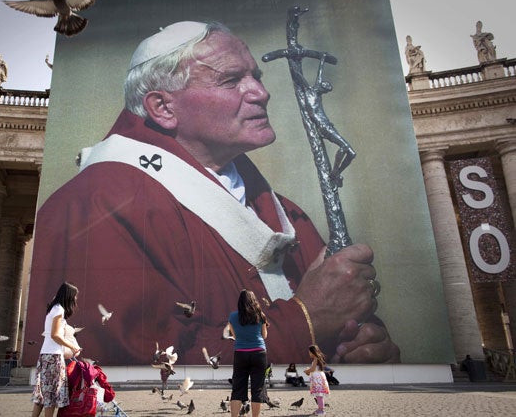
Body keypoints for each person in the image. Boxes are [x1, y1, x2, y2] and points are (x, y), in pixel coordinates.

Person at [26, 20, 400, 367]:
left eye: (256, 76)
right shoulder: (97, 203)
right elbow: (128, 370)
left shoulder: (285, 213)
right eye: (231, 80)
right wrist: (305, 322)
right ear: (163, 107)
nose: (261, 92)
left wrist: (362, 345)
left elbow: (337, 321)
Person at [31, 282, 81, 417]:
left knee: (42, 395)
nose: (75, 299)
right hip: (53, 356)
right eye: (75, 296)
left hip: (45, 355)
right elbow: (55, 335)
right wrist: (72, 346)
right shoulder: (59, 310)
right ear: (69, 296)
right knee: (52, 394)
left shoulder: (53, 309)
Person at [227, 290, 268, 417]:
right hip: (259, 353)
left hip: (240, 353)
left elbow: (234, 335)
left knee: (237, 389)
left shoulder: (233, 316)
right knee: (257, 389)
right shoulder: (260, 315)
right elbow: (264, 335)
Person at [304, 344, 330, 415]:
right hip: (318, 377)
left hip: (317, 379)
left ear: (313, 352)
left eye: (309, 352)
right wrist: (308, 371)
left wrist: (307, 370)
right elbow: (314, 369)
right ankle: (320, 408)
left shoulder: (316, 359)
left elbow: (312, 369)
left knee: (319, 395)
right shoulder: (317, 359)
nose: (309, 353)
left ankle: (321, 410)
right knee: (319, 395)